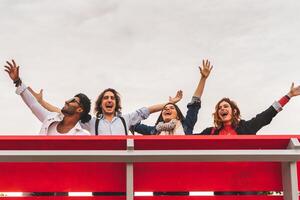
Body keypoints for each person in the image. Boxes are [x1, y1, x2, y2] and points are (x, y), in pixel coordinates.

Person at [196, 83, 300, 195]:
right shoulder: (211, 132)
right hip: (223, 180)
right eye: (219, 108)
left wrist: (288, 96)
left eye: (225, 106)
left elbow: (266, 115)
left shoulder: (246, 127)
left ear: (234, 111)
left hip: (247, 178)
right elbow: (190, 139)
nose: (222, 109)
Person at [28, 79, 182, 136]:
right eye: (106, 98)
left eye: (112, 98)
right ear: (101, 103)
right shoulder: (91, 122)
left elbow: (147, 110)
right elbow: (63, 114)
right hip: (101, 167)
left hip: (121, 167)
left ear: (116, 103)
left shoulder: (126, 119)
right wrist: (42, 102)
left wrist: (170, 103)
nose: (109, 100)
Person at [4, 59, 91, 136]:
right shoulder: (50, 118)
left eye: (73, 100)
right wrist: (17, 81)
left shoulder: (81, 135)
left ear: (80, 109)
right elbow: (33, 104)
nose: (67, 101)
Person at [131, 59, 213, 135]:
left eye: (172, 107)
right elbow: (133, 122)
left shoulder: (187, 125)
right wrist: (171, 102)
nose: (167, 109)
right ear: (162, 116)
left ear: (178, 115)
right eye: (165, 108)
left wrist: (203, 79)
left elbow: (194, 103)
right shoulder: (153, 130)